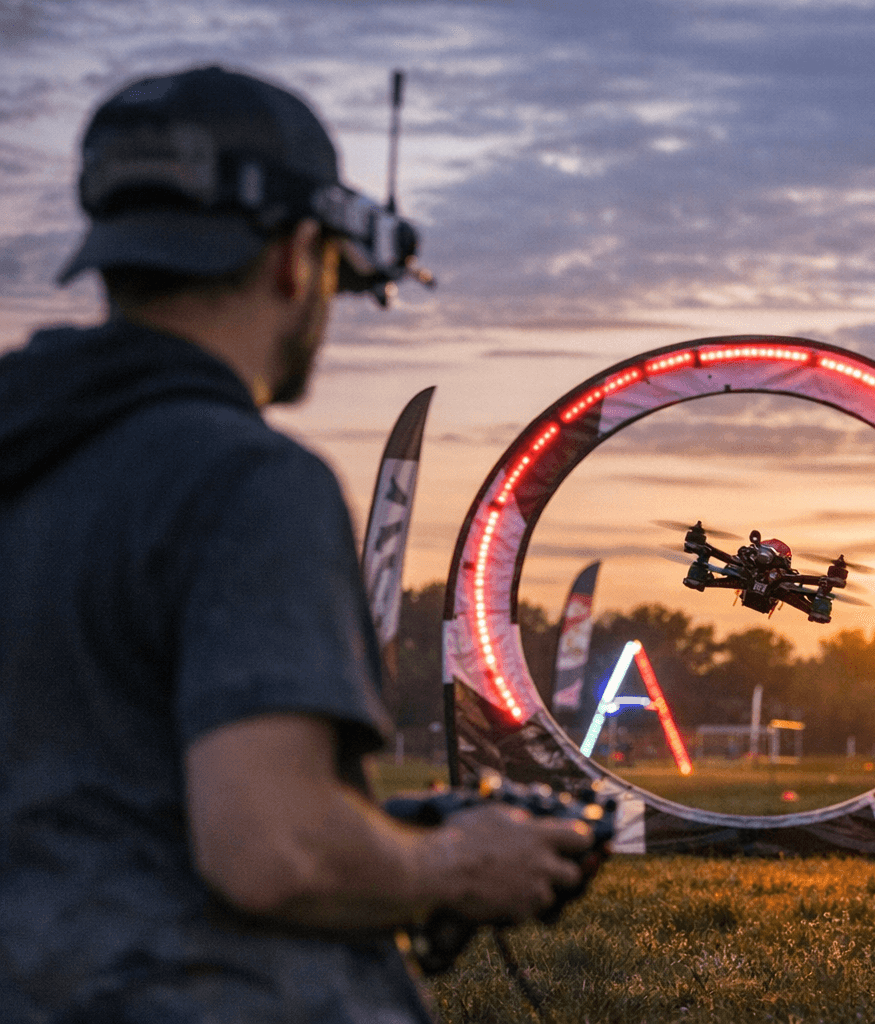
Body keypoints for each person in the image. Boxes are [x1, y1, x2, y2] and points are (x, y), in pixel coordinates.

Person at [0, 66, 596, 1021]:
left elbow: (100, 796)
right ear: (296, 258)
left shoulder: (27, 448)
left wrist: (390, 831)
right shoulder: (244, 481)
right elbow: (274, 851)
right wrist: (457, 859)